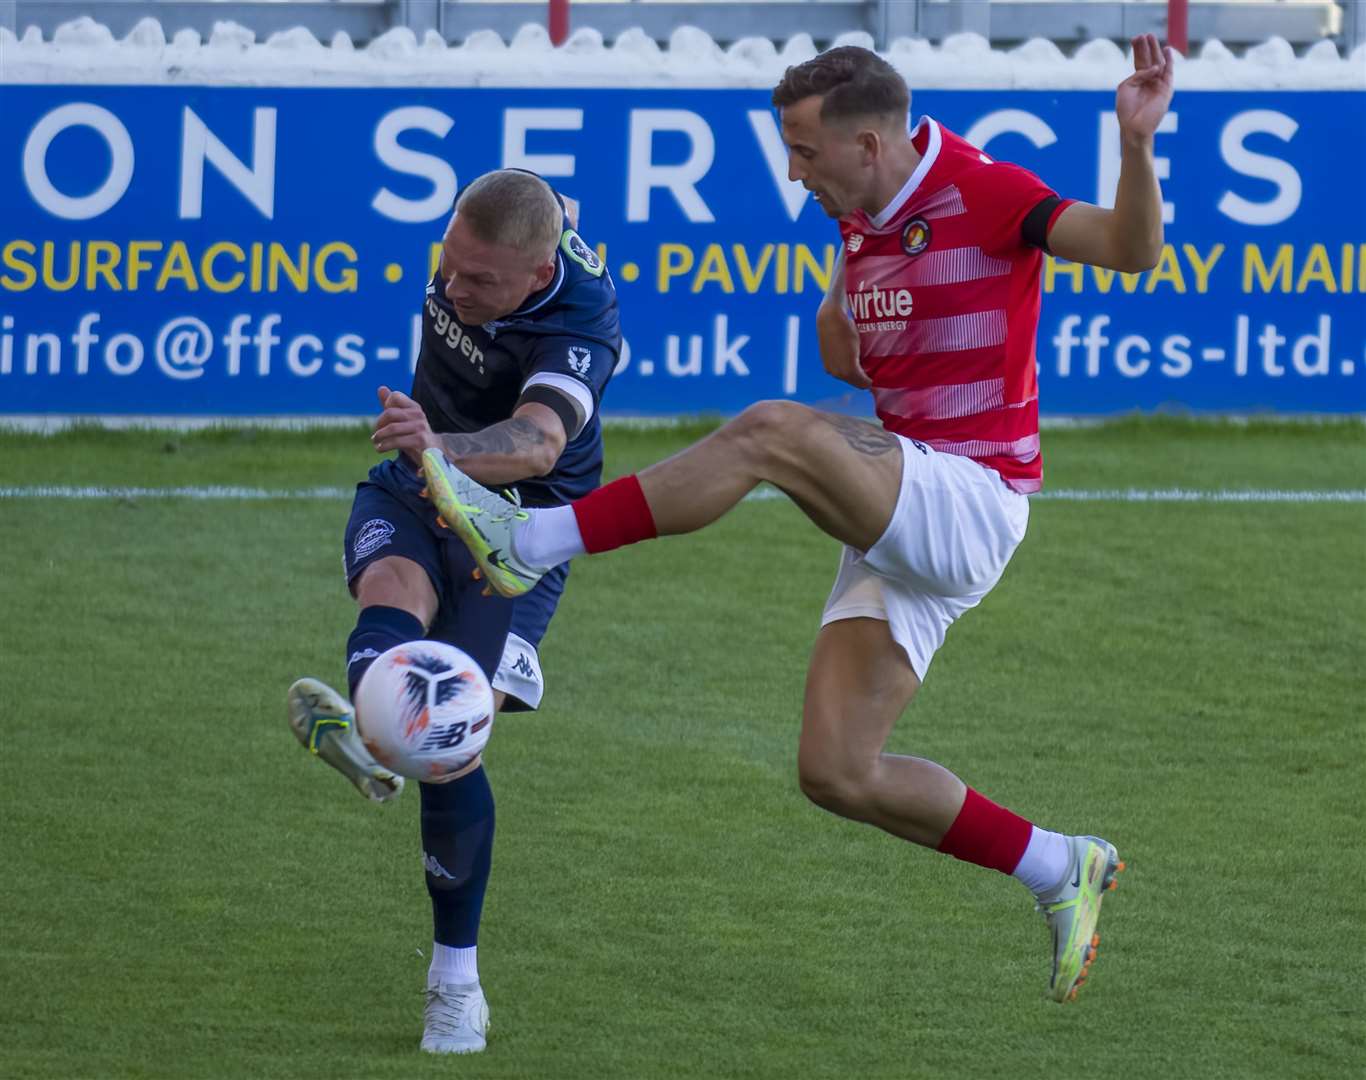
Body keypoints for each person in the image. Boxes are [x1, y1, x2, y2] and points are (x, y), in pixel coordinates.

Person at [421, 38, 1175, 1004]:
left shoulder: (985, 191)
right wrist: (845, 301)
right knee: (836, 769)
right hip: (903, 505)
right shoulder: (861, 217)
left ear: (869, 141)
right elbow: (856, 365)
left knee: (769, 433)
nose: (792, 171)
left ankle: (527, 543)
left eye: (806, 152)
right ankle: (1057, 865)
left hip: (972, 497)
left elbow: (1133, 250)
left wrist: (1136, 142)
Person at [285, 168, 621, 1052]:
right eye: (449, 264)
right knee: (390, 589)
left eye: (480, 282)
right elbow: (553, 204)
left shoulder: (580, 326)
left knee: (453, 743)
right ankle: (375, 728)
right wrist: (426, 458)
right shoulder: (524, 227)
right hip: (413, 485)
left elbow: (542, 439)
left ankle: (455, 983)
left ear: (540, 270)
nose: (452, 287)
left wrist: (443, 444)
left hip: (513, 531)